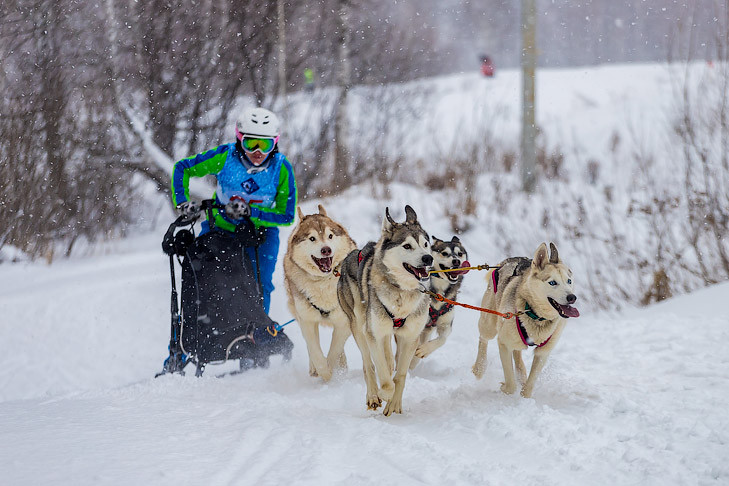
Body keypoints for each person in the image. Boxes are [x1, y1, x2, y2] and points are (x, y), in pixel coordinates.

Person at [171, 107, 297, 315]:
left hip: (261, 234)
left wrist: (252, 213)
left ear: (275, 143)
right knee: (204, 278)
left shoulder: (281, 168)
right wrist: (183, 202)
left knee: (259, 284)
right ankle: (203, 331)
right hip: (220, 228)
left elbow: (286, 215)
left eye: (265, 145)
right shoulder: (224, 157)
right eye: (251, 143)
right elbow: (183, 168)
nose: (258, 152)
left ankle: (257, 331)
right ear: (239, 140)